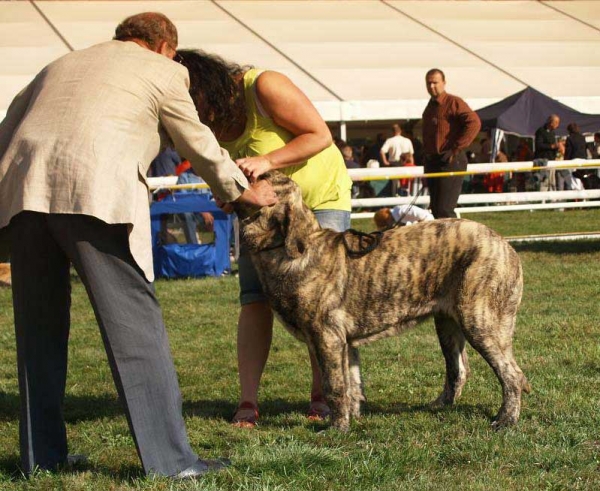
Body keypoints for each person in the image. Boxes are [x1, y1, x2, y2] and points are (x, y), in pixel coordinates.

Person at [0, 12, 277, 478]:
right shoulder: (166, 70)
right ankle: (172, 463)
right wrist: (242, 191)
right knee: (136, 333)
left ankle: (41, 459)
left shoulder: (60, 64)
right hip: (94, 194)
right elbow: (197, 139)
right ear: (165, 46)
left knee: (37, 335)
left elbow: (7, 129)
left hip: (23, 195)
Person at [177, 49, 353, 428]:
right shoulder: (201, 123)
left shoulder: (263, 86)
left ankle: (324, 394)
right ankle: (248, 400)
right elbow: (222, 171)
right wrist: (229, 195)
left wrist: (267, 160)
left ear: (207, 89)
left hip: (320, 202)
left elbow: (319, 135)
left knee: (320, 306)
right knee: (254, 297)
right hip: (261, 214)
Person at [422, 68, 481, 218]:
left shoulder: (454, 102)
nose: (432, 86)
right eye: (429, 83)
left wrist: (457, 147)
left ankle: (455, 241)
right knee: (436, 209)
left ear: (444, 83)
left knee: (445, 210)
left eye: (435, 82)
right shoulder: (430, 107)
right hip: (433, 161)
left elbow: (474, 123)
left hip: (451, 160)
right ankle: (443, 241)